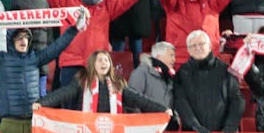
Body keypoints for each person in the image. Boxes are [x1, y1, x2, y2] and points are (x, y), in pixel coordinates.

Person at [0, 12, 82, 133]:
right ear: (11, 40)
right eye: (19, 37)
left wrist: (74, 28)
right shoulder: (0, 60)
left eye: (26, 37)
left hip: (33, 121)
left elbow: (57, 47)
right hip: (9, 124)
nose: (23, 40)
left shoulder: (35, 58)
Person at [36, 49, 168, 114]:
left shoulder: (118, 83)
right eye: (100, 60)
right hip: (87, 132)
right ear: (93, 64)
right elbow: (63, 94)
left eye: (106, 60)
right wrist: (42, 103)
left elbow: (140, 100)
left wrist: (162, 110)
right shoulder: (82, 80)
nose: (104, 63)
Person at [171, 30, 244, 133]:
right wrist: (194, 125)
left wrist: (231, 124)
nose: (198, 48)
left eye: (201, 44)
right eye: (193, 46)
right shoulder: (182, 73)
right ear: (188, 51)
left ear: (209, 46)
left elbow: (237, 99)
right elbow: (180, 101)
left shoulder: (226, 70)